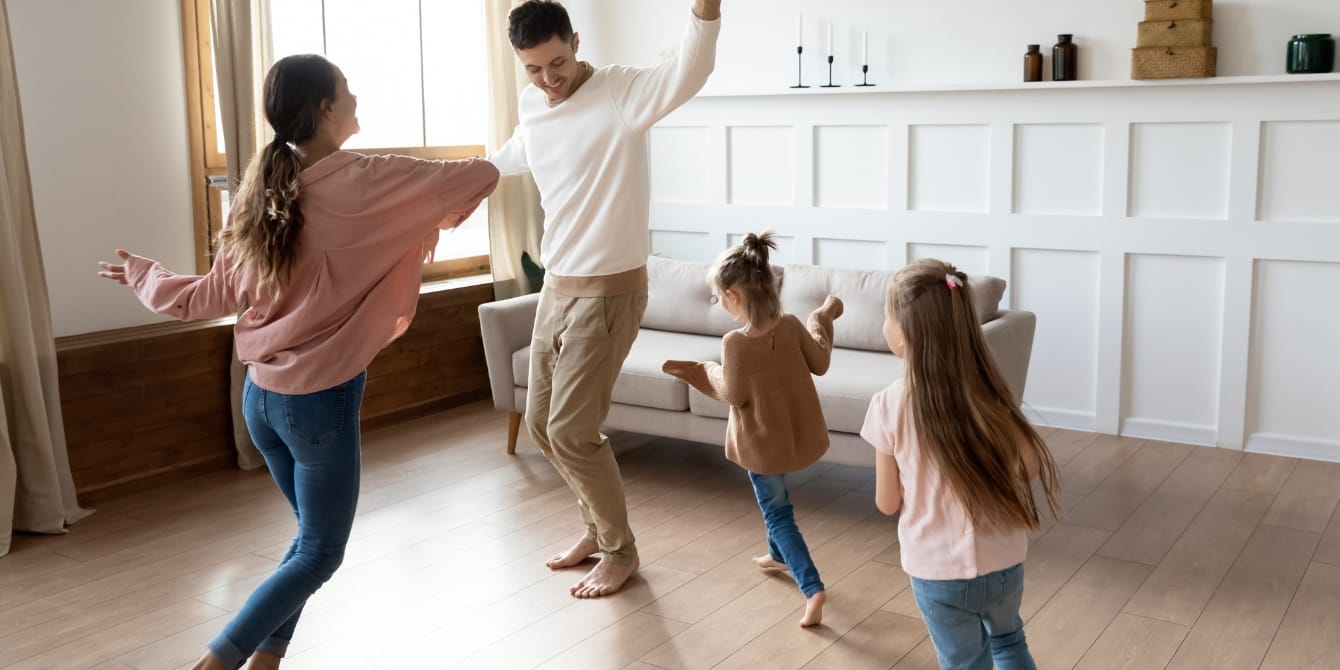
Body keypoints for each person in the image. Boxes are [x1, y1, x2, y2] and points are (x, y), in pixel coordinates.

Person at [96, 54, 499, 670]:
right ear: (324, 109)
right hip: (320, 405)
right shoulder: (368, 176)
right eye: (346, 89)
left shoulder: (257, 191)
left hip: (260, 401)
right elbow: (481, 174)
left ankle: (265, 661)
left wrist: (145, 275)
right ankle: (216, 663)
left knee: (306, 544)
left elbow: (208, 297)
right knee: (319, 552)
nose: (355, 96)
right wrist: (409, 212)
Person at [487, 0, 722, 598]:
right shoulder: (534, 101)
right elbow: (520, 149)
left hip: (612, 290)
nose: (547, 79)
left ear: (577, 42)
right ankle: (597, 530)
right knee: (541, 424)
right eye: (533, 69)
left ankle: (622, 551)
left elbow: (687, 74)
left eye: (557, 62)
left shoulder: (620, 92)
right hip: (556, 288)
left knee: (571, 428)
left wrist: (704, 12)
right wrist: (466, 184)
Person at [860, 258, 1063, 670]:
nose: (884, 326)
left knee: (964, 661)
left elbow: (886, 502)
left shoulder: (888, 405)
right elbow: (1028, 467)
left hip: (937, 572)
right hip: (1004, 562)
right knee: (1009, 641)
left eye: (887, 318)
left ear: (904, 333)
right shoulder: (989, 394)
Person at [662, 232, 842, 627]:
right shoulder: (793, 325)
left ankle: (812, 588)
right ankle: (778, 557)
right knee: (773, 502)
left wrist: (700, 370)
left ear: (734, 297)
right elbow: (821, 361)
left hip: (761, 444)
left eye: (720, 298)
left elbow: (734, 393)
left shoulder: (735, 344)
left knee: (777, 512)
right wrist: (822, 319)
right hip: (791, 434)